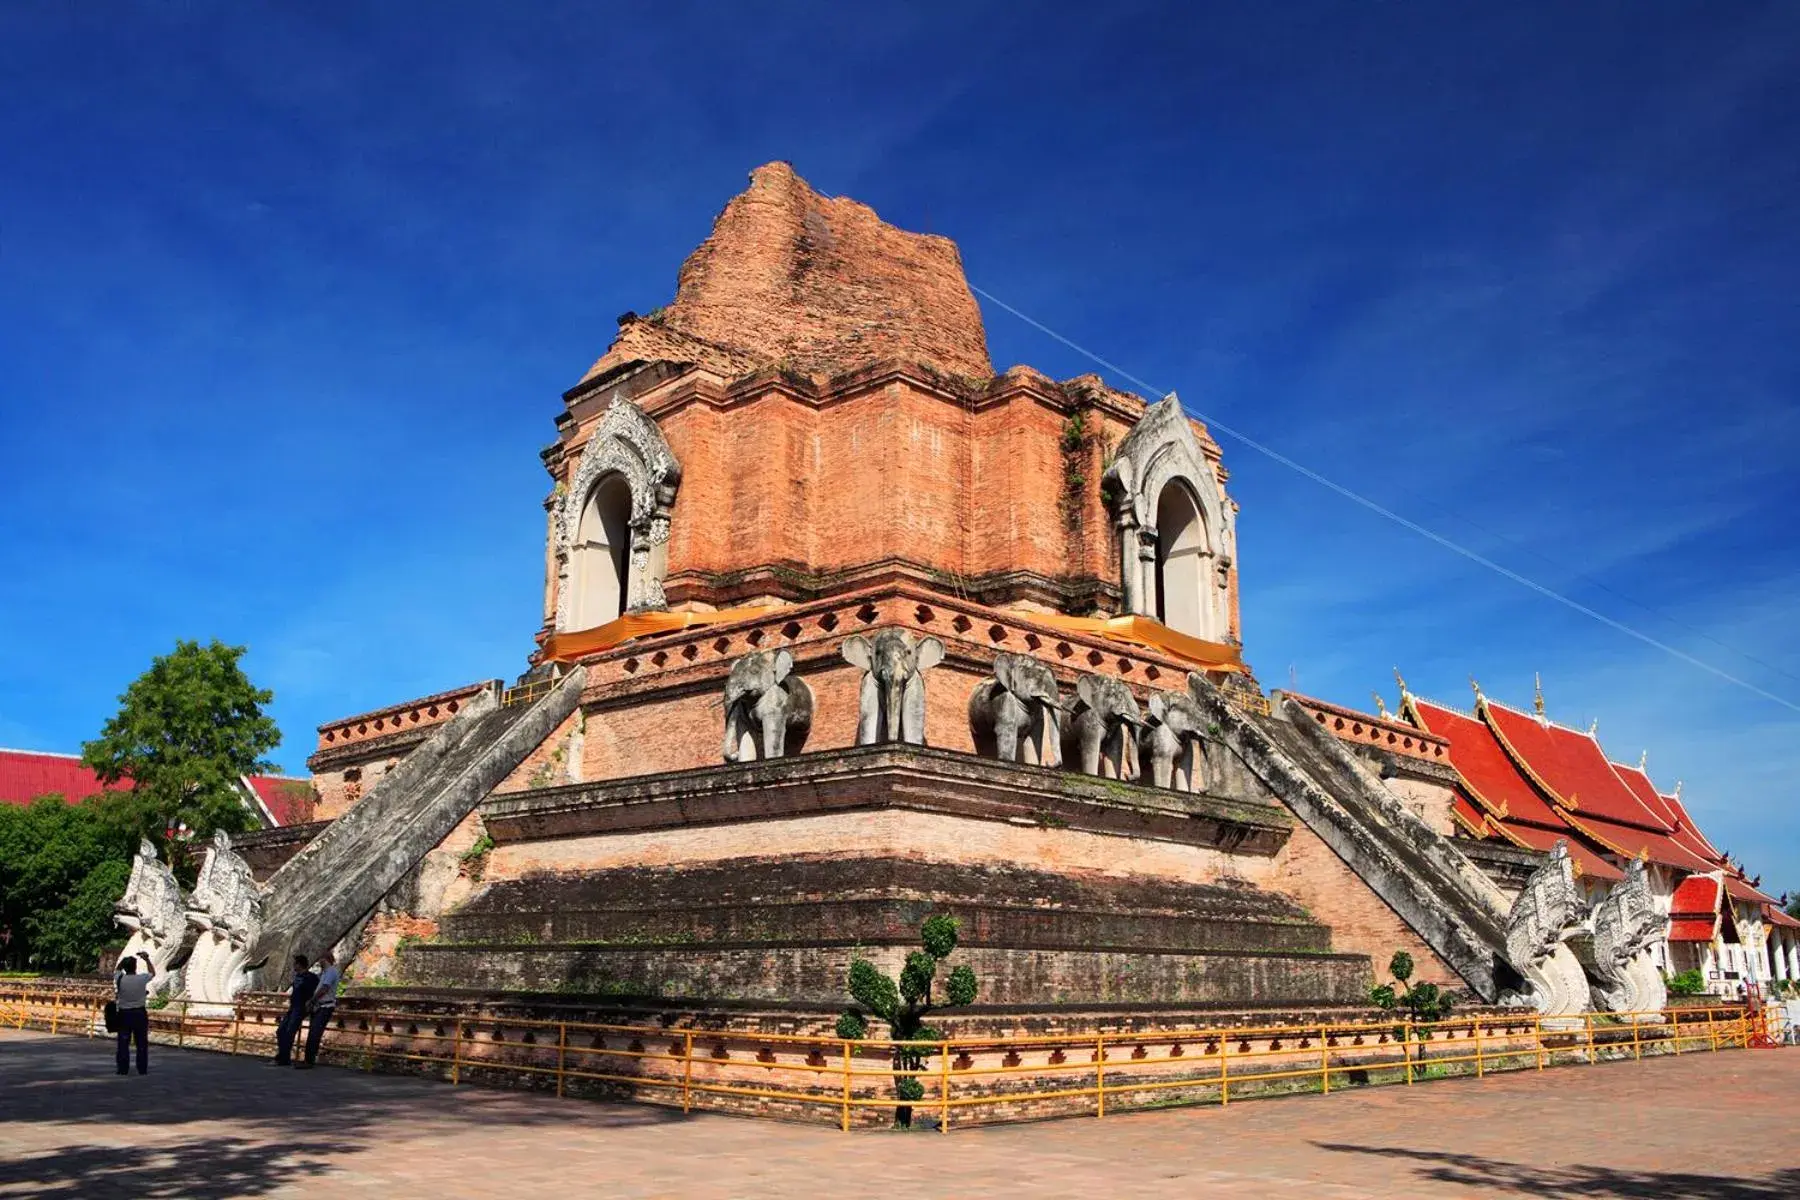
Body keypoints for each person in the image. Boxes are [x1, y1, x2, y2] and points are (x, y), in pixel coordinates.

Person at [273, 954, 317, 1066]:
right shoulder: (297, 976)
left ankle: (283, 1059)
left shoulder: (311, 977)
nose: (294, 966)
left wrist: (309, 1004)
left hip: (301, 1008)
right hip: (293, 1007)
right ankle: (283, 1056)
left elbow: (314, 993)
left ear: (300, 964)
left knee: (289, 1032)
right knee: (281, 1030)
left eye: (295, 964)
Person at [114, 954, 154, 1076]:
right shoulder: (141, 979)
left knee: (123, 1043)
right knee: (141, 1042)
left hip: (124, 1013)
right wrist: (147, 959)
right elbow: (152, 973)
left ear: (125, 967)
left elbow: (117, 969)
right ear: (135, 966)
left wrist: (123, 961)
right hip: (139, 1013)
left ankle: (122, 1069)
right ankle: (142, 1068)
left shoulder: (120, 978)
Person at [300, 950, 341, 1069]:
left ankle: (309, 1060)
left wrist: (312, 1000)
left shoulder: (331, 972)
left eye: (320, 959)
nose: (319, 961)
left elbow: (325, 988)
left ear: (325, 959)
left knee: (315, 1033)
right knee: (313, 1031)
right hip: (319, 1006)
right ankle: (308, 1059)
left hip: (325, 1006)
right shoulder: (324, 973)